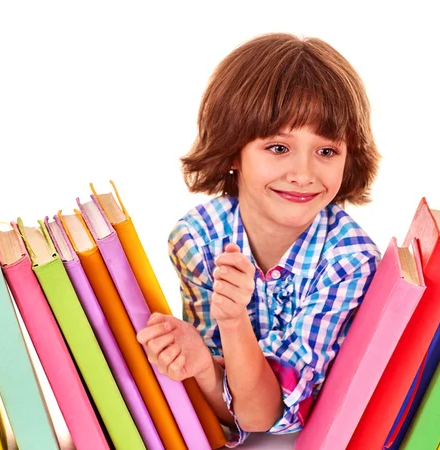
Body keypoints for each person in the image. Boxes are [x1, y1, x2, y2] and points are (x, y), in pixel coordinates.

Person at [137, 32, 381, 447]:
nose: (303, 173)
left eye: (326, 152)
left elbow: (266, 415)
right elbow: (225, 408)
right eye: (278, 147)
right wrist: (199, 362)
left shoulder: (350, 261)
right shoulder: (197, 239)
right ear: (234, 151)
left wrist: (233, 324)